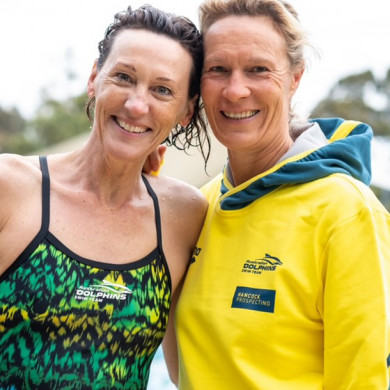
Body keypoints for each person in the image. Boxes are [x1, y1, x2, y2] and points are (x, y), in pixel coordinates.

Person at [162, 0, 390, 388]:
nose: (236, 91)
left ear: (295, 77)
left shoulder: (346, 211)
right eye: (218, 69)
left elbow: (364, 378)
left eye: (258, 69)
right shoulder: (196, 209)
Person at [0, 5, 209, 389]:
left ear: (186, 110)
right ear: (95, 78)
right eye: (124, 77)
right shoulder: (11, 188)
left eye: (162, 90)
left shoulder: (184, 215)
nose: (136, 104)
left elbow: (189, 370)